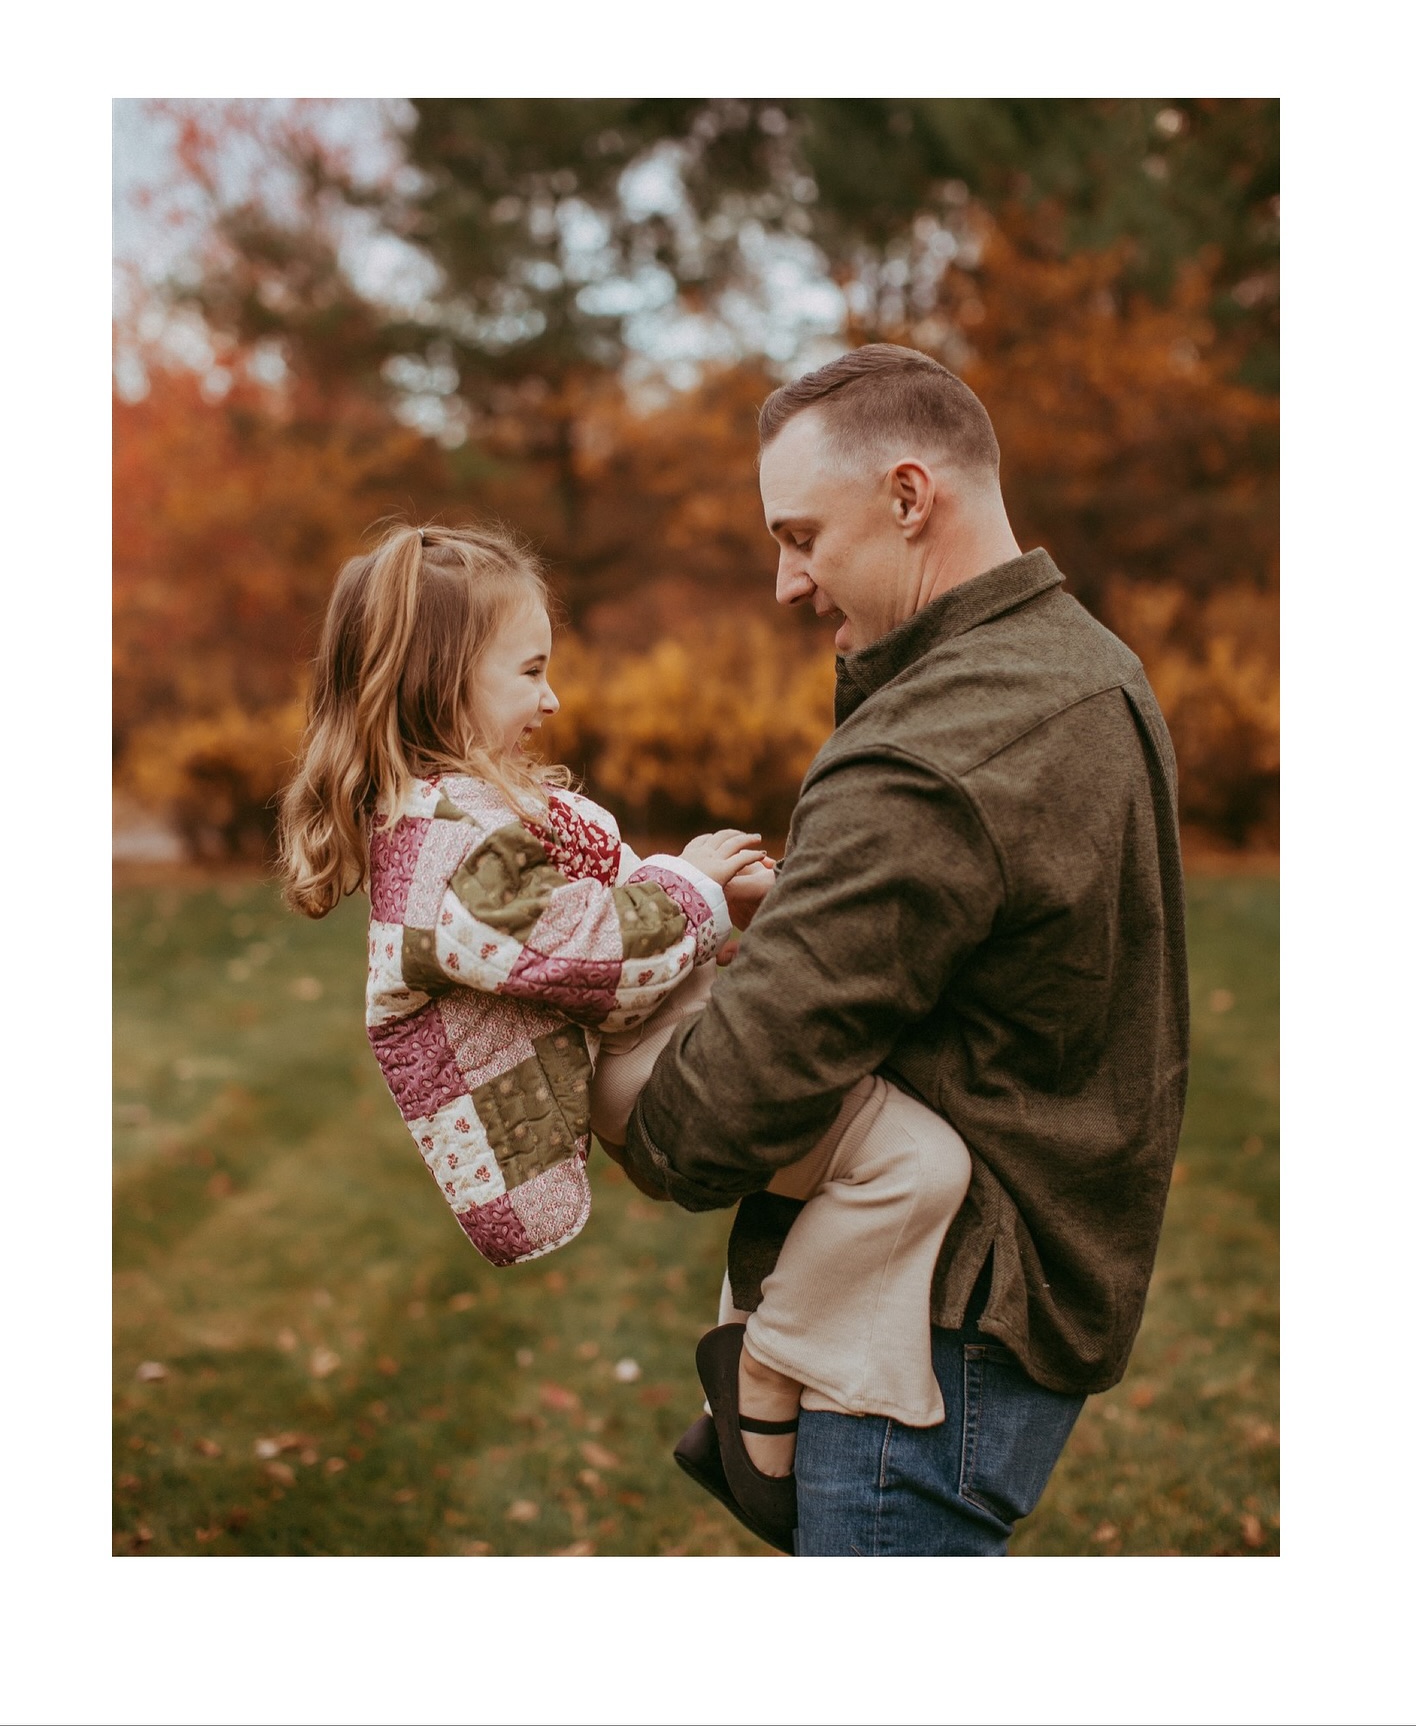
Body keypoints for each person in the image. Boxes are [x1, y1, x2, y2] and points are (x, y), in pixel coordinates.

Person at [276, 521, 975, 1548]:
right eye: (528, 671)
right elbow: (591, 950)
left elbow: (592, 920)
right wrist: (684, 880)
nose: (552, 697)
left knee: (869, 1116)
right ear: (441, 683)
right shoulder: (443, 852)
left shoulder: (466, 818)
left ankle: (759, 1354)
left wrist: (717, 913)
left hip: (638, 1040)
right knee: (918, 1163)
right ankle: (769, 1363)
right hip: (630, 1069)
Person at [621, 344, 1190, 1557]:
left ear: (910, 495)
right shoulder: (1093, 669)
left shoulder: (936, 748)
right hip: (1021, 1304)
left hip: (924, 1341)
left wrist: (602, 1061)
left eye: (801, 535)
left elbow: (711, 1121)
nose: (786, 581)